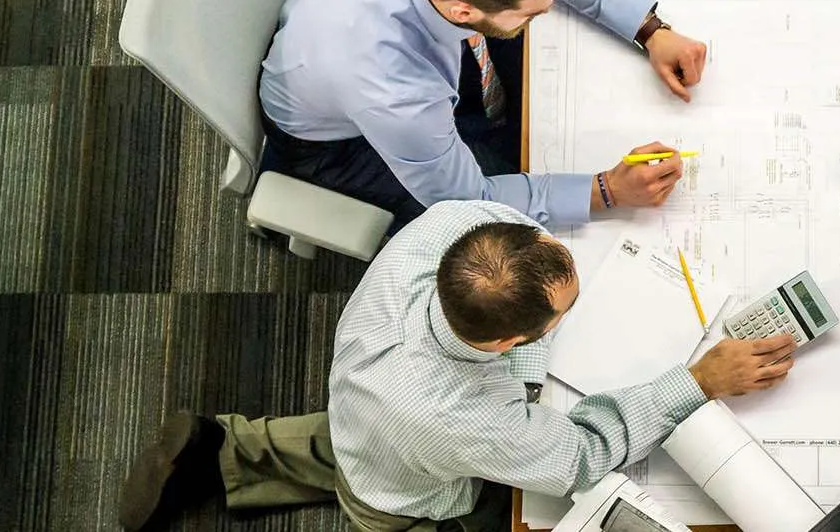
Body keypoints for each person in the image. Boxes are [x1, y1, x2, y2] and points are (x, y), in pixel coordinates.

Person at [118, 201, 797, 531]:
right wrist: (698, 381)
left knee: (360, 438)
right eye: (563, 313)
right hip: (402, 493)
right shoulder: (463, 420)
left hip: (370, 404)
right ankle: (227, 458)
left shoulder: (456, 227)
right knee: (388, 487)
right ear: (507, 342)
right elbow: (583, 456)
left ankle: (225, 448)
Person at [259, 0, 709, 229]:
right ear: (463, 11)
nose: (546, 15)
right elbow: (469, 199)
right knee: (498, 225)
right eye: (532, 13)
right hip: (333, 141)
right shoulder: (393, 88)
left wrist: (648, 28)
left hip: (338, 34)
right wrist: (607, 191)